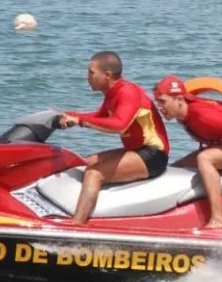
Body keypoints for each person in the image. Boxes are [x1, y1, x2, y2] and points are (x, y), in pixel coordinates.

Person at [58, 51, 169, 224]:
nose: (86, 76)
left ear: (107, 75)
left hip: (153, 155)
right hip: (135, 151)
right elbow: (99, 117)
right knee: (83, 163)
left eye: (91, 72)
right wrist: (67, 115)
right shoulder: (112, 94)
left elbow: (119, 125)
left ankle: (77, 223)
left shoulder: (128, 92)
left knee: (94, 174)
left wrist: (79, 120)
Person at [153, 74, 222, 229]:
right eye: (157, 102)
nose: (160, 107)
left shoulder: (202, 115)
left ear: (179, 99)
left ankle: (218, 220)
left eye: (163, 101)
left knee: (204, 158)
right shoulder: (183, 114)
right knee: (175, 168)